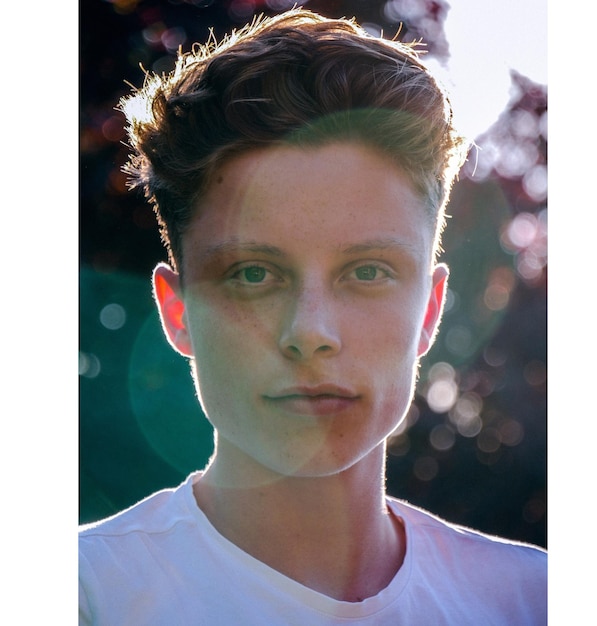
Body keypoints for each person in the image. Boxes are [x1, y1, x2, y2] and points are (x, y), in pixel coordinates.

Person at [79, 9, 547, 624]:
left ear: (429, 310)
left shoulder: (535, 602)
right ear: (178, 312)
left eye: (367, 273)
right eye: (253, 275)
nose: (310, 333)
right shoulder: (79, 596)